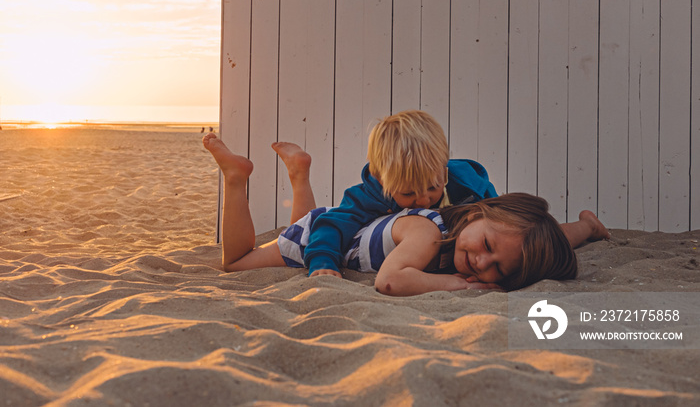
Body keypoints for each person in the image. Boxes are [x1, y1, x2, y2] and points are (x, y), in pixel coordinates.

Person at [202, 133, 609, 295]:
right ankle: (236, 177)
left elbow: (548, 236)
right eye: (486, 246)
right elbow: (391, 281)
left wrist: (585, 229)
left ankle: (298, 175)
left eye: (497, 270)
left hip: (353, 230)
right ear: (474, 214)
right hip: (325, 235)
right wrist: (461, 286)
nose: (482, 263)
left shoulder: (488, 232)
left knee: (534, 241)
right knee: (237, 261)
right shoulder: (426, 232)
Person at [302, 110, 499, 278]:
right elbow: (332, 224)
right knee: (302, 228)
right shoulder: (369, 195)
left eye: (433, 187)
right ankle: (299, 177)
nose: (423, 200)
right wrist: (322, 261)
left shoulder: (469, 186)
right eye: (408, 192)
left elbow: (498, 214)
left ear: (443, 169)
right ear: (381, 180)